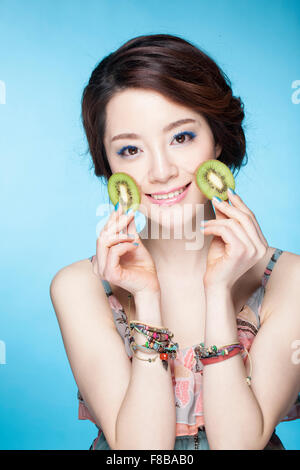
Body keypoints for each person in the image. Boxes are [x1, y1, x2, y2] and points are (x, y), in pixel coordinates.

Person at [50, 34, 300, 450]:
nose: (162, 171)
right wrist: (146, 298)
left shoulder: (290, 280)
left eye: (181, 137)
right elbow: (139, 453)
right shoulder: (81, 286)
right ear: (109, 165)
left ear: (217, 139)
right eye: (130, 149)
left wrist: (218, 291)